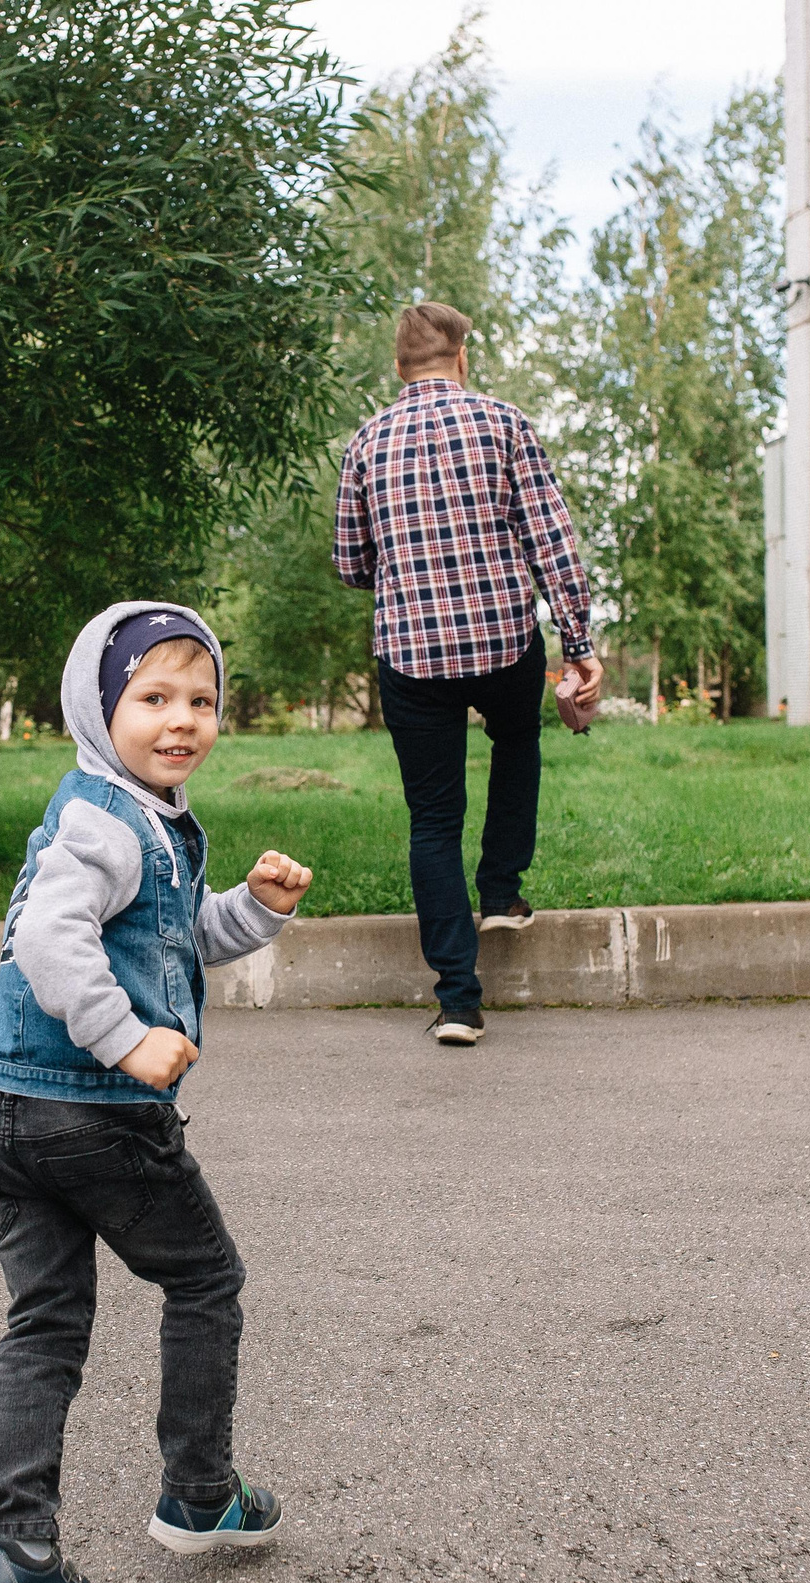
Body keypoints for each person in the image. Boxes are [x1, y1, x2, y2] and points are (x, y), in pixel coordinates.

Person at [0, 601, 315, 1583]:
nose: (182, 719)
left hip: (9, 1113)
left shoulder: (141, 819)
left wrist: (256, 908)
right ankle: (199, 1494)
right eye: (152, 697)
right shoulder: (105, 822)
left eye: (201, 700)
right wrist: (123, 1039)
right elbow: (46, 937)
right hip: (97, 1114)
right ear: (97, 707)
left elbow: (172, 937)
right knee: (205, 1279)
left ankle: (18, 1548)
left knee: (45, 1320)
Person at [334, 301, 601, 1047]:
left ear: (398, 367)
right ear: (462, 357)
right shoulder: (505, 424)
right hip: (503, 640)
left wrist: (411, 572)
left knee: (433, 818)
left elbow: (351, 563)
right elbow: (552, 542)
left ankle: (458, 1002)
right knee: (516, 742)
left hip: (410, 652)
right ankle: (503, 892)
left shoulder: (366, 442)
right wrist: (578, 643)